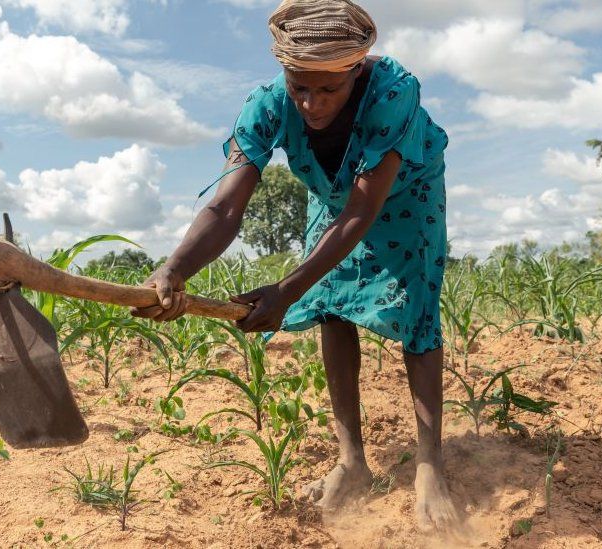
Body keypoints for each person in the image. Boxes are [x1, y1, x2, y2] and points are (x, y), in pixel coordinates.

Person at [130, 0, 455, 530]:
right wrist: (176, 268)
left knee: (417, 309)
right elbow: (225, 205)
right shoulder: (265, 106)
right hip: (332, 198)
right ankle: (352, 461)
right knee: (330, 307)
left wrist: (285, 288)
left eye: (328, 89)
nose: (310, 103)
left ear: (355, 68)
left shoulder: (393, 94)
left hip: (403, 195)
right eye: (299, 87)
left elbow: (361, 212)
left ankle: (429, 465)